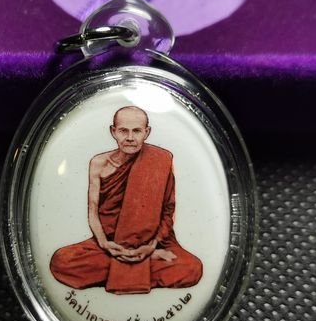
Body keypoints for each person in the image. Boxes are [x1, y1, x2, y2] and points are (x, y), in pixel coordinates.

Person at [50, 106, 203, 294]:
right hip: (109, 243)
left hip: (152, 243)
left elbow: (168, 211)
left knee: (192, 268)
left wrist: (152, 245)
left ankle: (124, 269)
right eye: (123, 131)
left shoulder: (162, 159)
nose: (130, 137)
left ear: (147, 132)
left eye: (136, 131)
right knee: (61, 261)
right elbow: (93, 210)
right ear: (113, 131)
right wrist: (104, 244)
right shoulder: (98, 163)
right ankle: (141, 267)